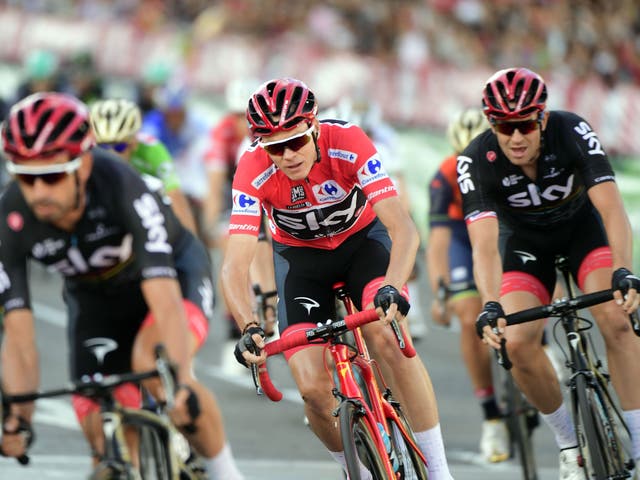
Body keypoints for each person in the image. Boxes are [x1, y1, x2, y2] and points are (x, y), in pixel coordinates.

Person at [0, 92, 243, 480]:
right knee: (94, 416)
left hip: (172, 272)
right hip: (96, 296)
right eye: (26, 177)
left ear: (82, 166)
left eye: (52, 175)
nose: (39, 192)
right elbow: (19, 336)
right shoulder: (11, 217)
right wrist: (18, 419)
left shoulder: (120, 183)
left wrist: (179, 381)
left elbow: (164, 301)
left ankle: (225, 472)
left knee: (150, 363)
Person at [221, 78, 453, 479]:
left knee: (387, 338)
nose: (289, 155)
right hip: (302, 264)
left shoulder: (348, 141)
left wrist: (394, 286)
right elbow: (234, 266)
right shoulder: (251, 169)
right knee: (311, 388)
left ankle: (439, 471)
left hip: (363, 246)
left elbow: (403, 228)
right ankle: (355, 471)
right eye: (276, 147)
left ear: (314, 127)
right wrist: (250, 326)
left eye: (296, 141)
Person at [460, 67, 640, 479]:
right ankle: (568, 445)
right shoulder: (475, 159)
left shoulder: (572, 130)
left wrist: (625, 270)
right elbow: (485, 246)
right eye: (505, 126)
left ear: (542, 118)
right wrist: (490, 304)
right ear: (492, 124)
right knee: (518, 343)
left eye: (525, 124)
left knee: (616, 320)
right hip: (525, 248)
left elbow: (612, 208)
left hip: (583, 234)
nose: (516, 137)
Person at [426, 108, 510, 462]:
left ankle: (541, 343)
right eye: (463, 159)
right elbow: (439, 241)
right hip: (462, 233)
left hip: (503, 224)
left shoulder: (508, 161)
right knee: (467, 315)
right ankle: (492, 415)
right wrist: (441, 291)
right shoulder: (444, 176)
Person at [203, 78, 277, 337]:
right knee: (232, 246)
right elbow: (214, 187)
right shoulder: (221, 134)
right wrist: (211, 224)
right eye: (236, 116)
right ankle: (233, 317)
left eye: (246, 116)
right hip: (231, 190)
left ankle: (270, 299)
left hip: (265, 186)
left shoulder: (268, 135)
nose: (242, 123)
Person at [89, 98, 198, 233]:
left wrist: (192, 244)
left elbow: (175, 196)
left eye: (120, 146)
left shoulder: (152, 150)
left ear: (134, 142)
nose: (111, 154)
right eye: (103, 146)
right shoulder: (86, 151)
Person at [141, 83, 212, 244]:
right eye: (170, 114)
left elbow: (205, 153)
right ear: (163, 112)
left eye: (178, 114)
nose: (174, 119)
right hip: (160, 172)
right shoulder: (152, 125)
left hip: (186, 171)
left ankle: (205, 234)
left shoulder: (197, 123)